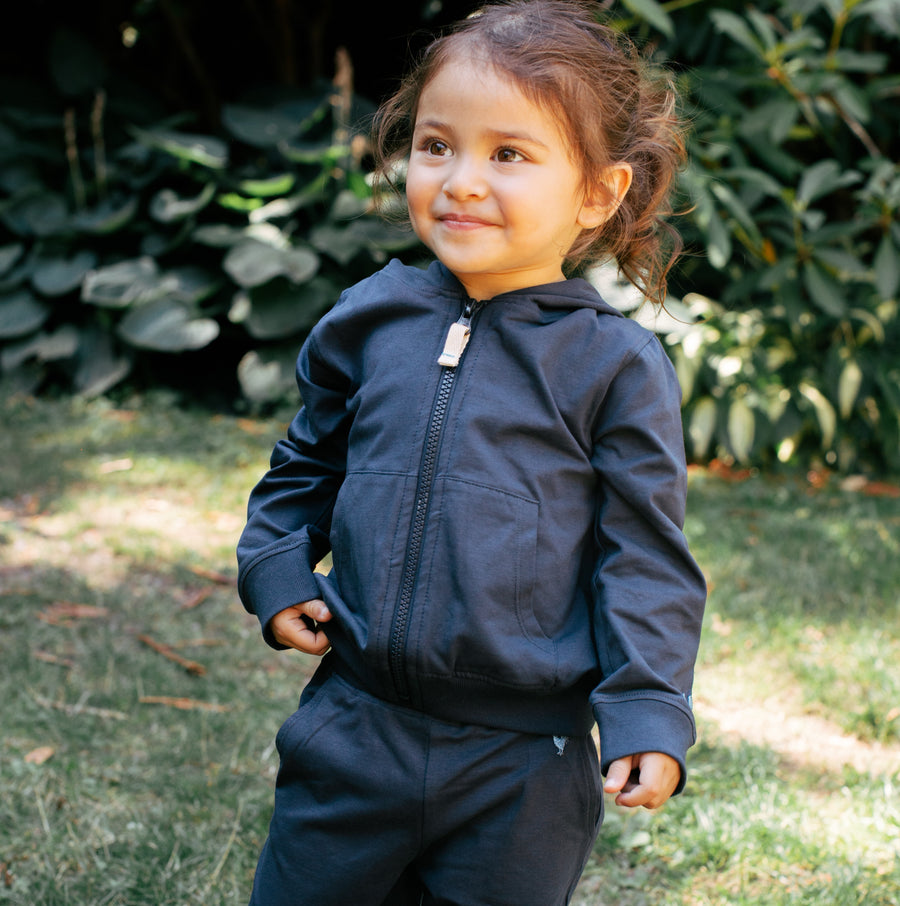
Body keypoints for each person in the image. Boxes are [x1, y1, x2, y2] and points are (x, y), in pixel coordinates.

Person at [236, 1, 706, 903]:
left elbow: (645, 556)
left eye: (509, 155)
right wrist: (276, 563)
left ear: (597, 192)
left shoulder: (614, 368)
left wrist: (649, 706)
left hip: (523, 768)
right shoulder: (369, 319)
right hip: (353, 723)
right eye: (437, 145)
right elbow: (305, 465)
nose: (461, 181)